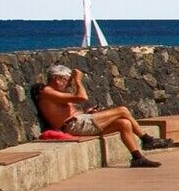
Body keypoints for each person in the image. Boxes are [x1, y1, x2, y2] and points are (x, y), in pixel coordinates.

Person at [36, 65, 165, 168]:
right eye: (66, 80)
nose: (68, 84)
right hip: (72, 125)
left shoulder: (55, 93)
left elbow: (70, 111)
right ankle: (147, 140)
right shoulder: (47, 92)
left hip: (79, 122)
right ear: (57, 78)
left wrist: (89, 112)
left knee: (124, 123)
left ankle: (137, 158)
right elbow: (82, 97)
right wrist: (78, 80)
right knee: (123, 110)